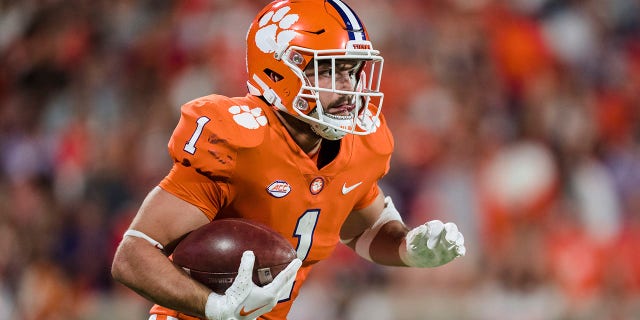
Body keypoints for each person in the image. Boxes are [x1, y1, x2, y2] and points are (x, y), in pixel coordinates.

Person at [111, 0, 466, 319]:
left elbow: (364, 232)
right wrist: (214, 306)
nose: (349, 88)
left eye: (353, 70)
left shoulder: (359, 146)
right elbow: (133, 254)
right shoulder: (238, 142)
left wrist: (409, 248)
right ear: (278, 72)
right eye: (329, 70)